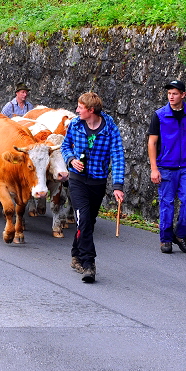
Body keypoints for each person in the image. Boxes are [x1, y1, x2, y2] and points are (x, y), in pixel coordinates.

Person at [61, 92, 125, 283]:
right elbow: (65, 147)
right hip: (77, 180)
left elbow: (118, 157)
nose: (76, 111)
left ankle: (76, 254)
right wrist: (72, 160)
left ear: (90, 110)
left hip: (97, 181)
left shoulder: (110, 129)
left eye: (80, 108)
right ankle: (89, 264)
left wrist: (118, 186)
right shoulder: (75, 124)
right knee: (84, 218)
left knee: (88, 221)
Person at [148, 79, 186, 254]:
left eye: (174, 93)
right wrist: (154, 168)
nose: (171, 97)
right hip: (166, 166)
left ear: (183, 95)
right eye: (169, 94)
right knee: (167, 203)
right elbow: (152, 142)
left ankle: (180, 235)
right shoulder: (159, 115)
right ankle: (165, 239)